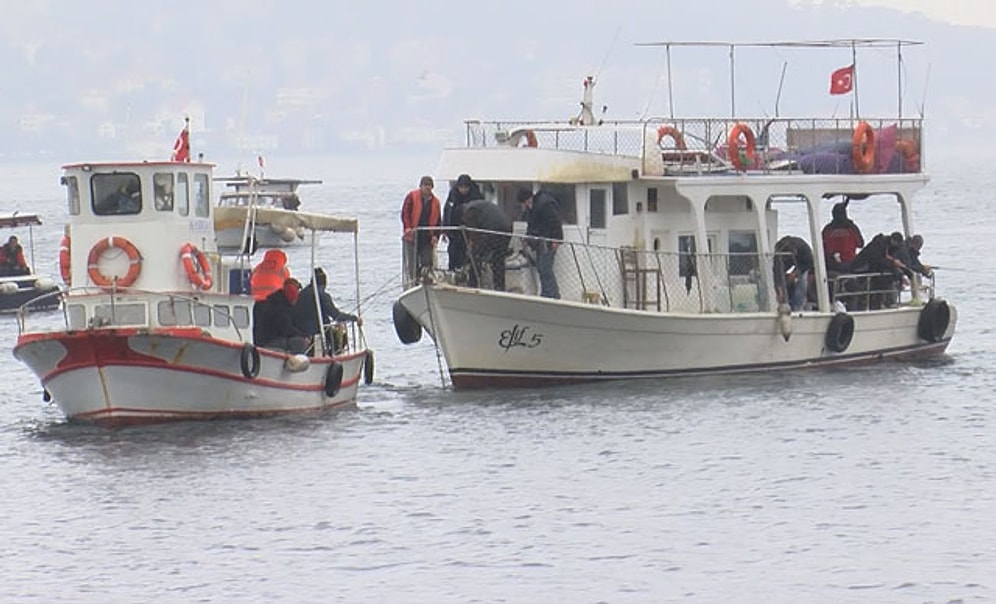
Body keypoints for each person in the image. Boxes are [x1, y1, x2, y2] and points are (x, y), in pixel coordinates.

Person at [293, 267, 360, 351]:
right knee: (341, 337)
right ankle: (333, 354)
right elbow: (336, 315)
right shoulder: (323, 295)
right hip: (316, 331)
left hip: (299, 330)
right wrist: (354, 318)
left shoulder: (301, 294)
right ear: (324, 282)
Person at [518, 188, 564, 299]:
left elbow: (555, 221)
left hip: (547, 241)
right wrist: (528, 238)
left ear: (527, 200)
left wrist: (556, 239)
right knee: (543, 268)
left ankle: (552, 295)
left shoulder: (544, 204)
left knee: (545, 268)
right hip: (540, 242)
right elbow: (532, 225)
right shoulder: (535, 206)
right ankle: (547, 293)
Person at [461, 199, 512, 291]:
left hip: (493, 229)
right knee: (498, 258)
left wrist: (472, 243)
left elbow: (473, 229)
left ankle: (474, 283)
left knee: (476, 255)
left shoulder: (469, 210)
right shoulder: (479, 205)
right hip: (507, 227)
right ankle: (499, 286)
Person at [400, 175, 441, 284]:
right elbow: (405, 213)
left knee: (427, 261)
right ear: (420, 186)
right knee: (412, 263)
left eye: (429, 186)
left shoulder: (436, 202)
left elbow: (438, 221)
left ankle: (425, 280)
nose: (427, 188)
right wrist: (408, 227)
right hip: (412, 235)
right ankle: (414, 281)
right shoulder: (412, 196)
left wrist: (436, 236)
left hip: (427, 237)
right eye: (425, 185)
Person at [253, 277, 309, 353]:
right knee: (300, 342)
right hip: (268, 342)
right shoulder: (283, 308)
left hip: (258, 341)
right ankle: (294, 361)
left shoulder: (270, 302)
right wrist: (303, 335)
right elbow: (286, 329)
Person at [442, 173, 483, 272]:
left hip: (471, 233)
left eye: (466, 187)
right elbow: (447, 211)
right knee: (452, 252)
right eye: (461, 187)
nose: (463, 190)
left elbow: (479, 215)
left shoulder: (476, 196)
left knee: (469, 255)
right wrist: (444, 230)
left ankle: (469, 275)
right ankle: (452, 271)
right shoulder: (453, 194)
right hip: (454, 231)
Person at [821, 199, 864, 270]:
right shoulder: (852, 228)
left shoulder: (827, 229)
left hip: (832, 265)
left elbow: (821, 247)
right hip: (850, 264)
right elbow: (861, 244)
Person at [773, 235, 814, 311]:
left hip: (805, 264)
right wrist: (779, 289)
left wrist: (795, 273)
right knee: (783, 279)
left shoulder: (803, 247)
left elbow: (809, 262)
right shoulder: (778, 254)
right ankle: (786, 302)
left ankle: (798, 306)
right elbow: (777, 272)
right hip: (791, 262)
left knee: (802, 282)